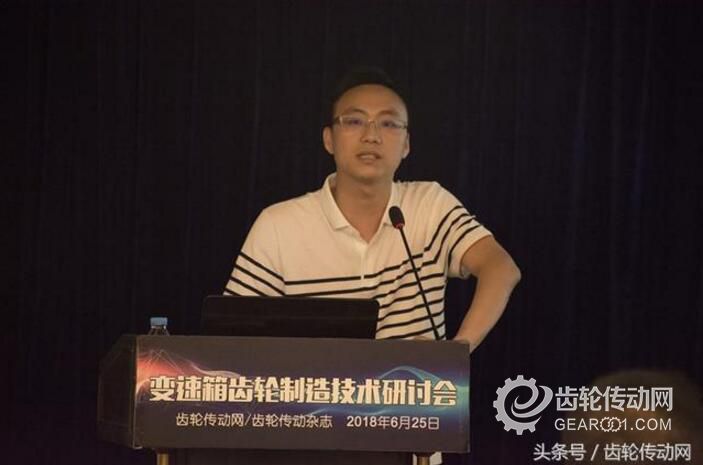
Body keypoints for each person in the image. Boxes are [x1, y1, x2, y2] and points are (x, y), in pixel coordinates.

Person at [225, 67, 520, 352]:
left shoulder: (429, 204)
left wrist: (455, 352)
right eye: (354, 121)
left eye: (388, 124)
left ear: (406, 145)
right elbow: (233, 336)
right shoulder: (280, 225)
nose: (371, 135)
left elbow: (501, 269)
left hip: (416, 385)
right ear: (328, 139)